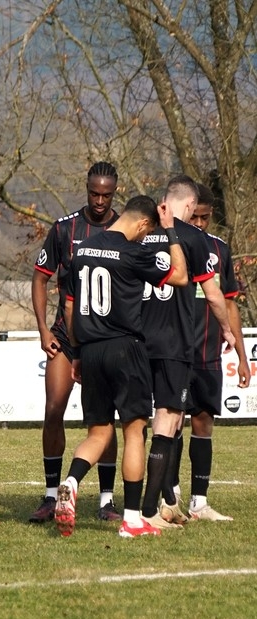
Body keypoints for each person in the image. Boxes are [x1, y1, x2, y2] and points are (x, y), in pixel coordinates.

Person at [54, 195, 187, 538]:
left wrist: (77, 353)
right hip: (126, 349)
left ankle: (71, 481)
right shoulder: (133, 252)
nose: (145, 237)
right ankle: (132, 521)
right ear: (143, 223)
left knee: (98, 433)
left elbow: (69, 307)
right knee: (133, 432)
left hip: (90, 350)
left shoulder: (82, 249)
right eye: (147, 232)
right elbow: (181, 276)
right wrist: (170, 230)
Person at [139, 176, 234, 531]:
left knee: (146, 423)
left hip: (136, 340)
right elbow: (213, 295)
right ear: (191, 205)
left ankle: (163, 502)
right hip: (173, 343)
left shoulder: (141, 231)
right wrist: (227, 329)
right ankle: (149, 510)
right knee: (167, 423)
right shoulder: (194, 238)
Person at [29, 162, 122, 523]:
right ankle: (51, 496)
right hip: (66, 339)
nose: (99, 201)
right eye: (93, 193)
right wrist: (43, 329)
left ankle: (106, 501)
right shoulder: (64, 229)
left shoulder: (125, 229)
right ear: (86, 189)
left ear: (114, 192)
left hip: (105, 340)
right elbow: (40, 278)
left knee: (103, 419)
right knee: (54, 409)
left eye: (106, 195)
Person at [166, 183, 249, 521]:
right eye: (195, 216)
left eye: (205, 217)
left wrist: (242, 357)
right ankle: (169, 495)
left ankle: (199, 502)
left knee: (203, 422)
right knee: (171, 423)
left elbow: (228, 304)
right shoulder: (170, 242)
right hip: (175, 349)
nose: (199, 223)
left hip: (208, 351)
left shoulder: (220, 250)